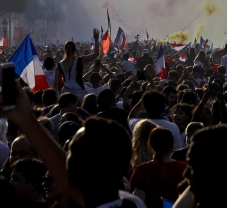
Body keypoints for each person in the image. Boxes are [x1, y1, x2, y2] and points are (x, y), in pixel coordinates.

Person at [2, 78, 145, 208]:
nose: (65, 157)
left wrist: (27, 121)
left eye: (70, 152)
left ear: (81, 171)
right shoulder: (131, 202)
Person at [130, 127, 186, 208]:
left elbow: (132, 193)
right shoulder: (184, 168)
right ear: (172, 144)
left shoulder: (142, 169)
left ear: (151, 145)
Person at [54, 29, 100, 103]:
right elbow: (96, 53)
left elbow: (55, 84)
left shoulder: (59, 64)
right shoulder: (80, 59)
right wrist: (96, 39)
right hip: (79, 94)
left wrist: (56, 98)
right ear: (75, 50)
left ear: (65, 50)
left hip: (66, 94)